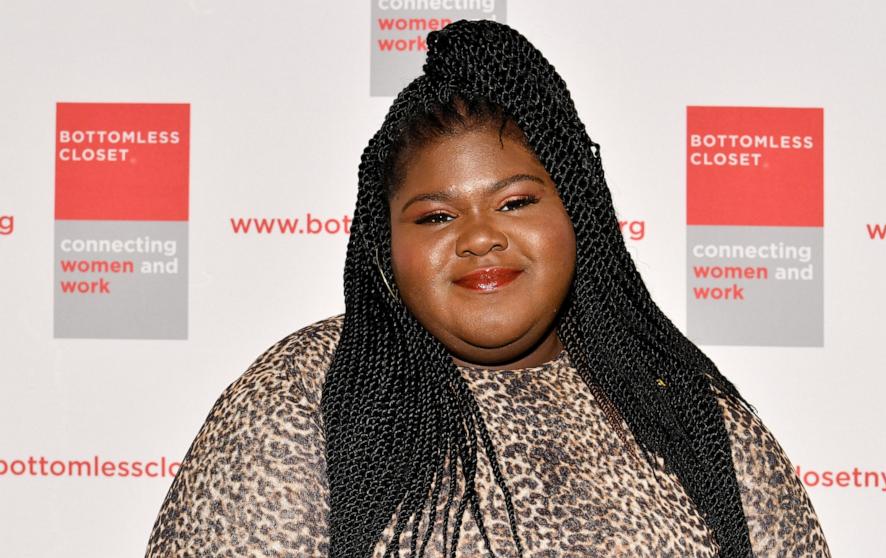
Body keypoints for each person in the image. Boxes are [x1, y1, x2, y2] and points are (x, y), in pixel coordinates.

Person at [145, 19, 831, 558]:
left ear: (576, 215)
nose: (479, 237)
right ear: (387, 247)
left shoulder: (689, 413)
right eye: (437, 216)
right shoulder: (304, 394)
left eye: (516, 202)